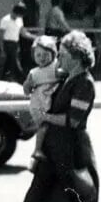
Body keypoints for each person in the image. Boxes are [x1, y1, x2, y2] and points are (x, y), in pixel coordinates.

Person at [0, 31, 101, 202]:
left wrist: (46, 117)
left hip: (73, 149)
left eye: (62, 55)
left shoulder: (84, 82)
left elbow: (74, 120)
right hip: (53, 148)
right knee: (36, 198)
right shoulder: (67, 77)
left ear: (76, 56)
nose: (58, 59)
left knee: (82, 201)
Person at [22, 36, 61, 165]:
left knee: (48, 126)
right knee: (44, 126)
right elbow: (26, 88)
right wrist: (28, 86)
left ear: (54, 54)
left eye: (45, 54)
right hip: (39, 102)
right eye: (38, 55)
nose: (42, 58)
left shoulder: (56, 66)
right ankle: (37, 150)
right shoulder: (34, 72)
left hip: (48, 99)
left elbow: (64, 75)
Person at [0, 3, 31, 82]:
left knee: (11, 64)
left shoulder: (19, 20)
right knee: (12, 64)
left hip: (15, 44)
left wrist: (35, 37)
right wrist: (1, 49)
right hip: (7, 44)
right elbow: (0, 35)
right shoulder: (5, 20)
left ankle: (5, 80)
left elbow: (23, 33)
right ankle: (22, 80)